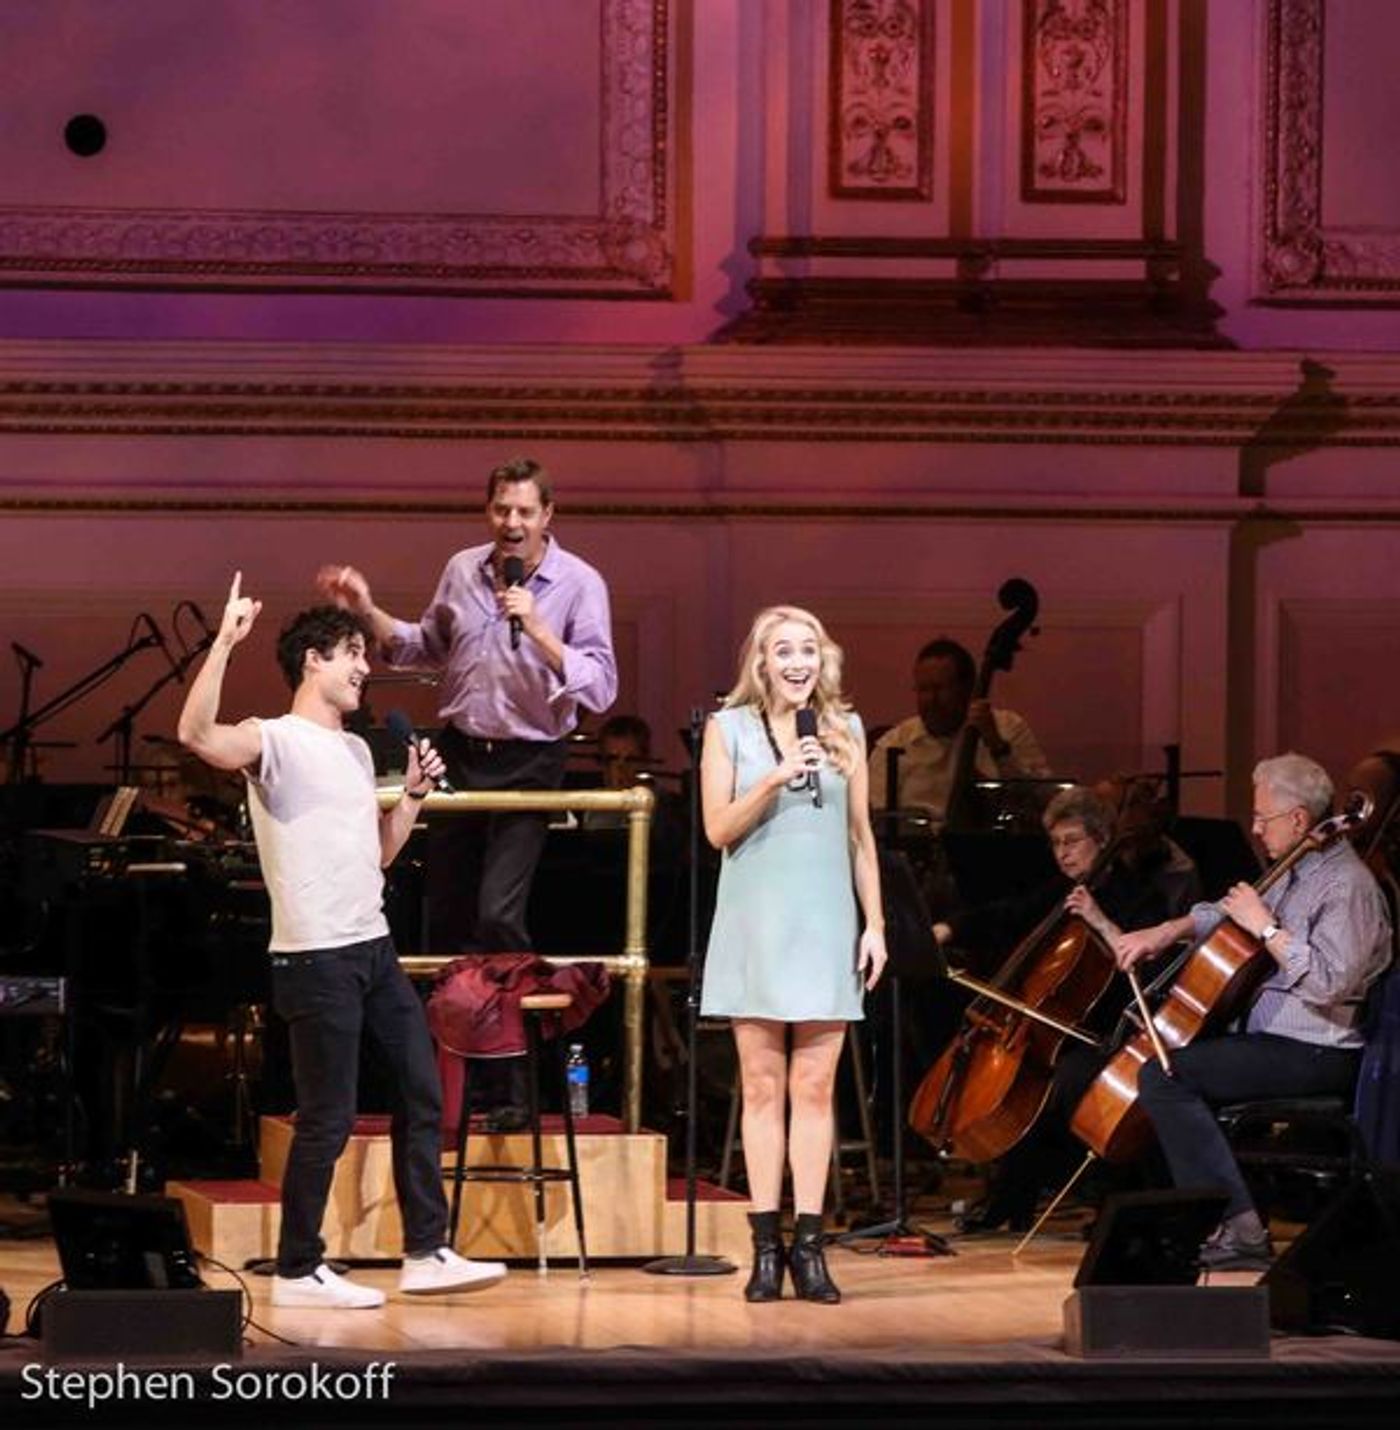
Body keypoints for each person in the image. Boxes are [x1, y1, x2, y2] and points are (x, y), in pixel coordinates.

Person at [178, 572, 506, 1309]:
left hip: (373, 948)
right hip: (314, 957)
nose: (365, 666)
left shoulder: (357, 752)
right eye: (352, 652)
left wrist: (412, 797)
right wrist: (225, 642)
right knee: (328, 1116)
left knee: (422, 1090)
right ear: (313, 661)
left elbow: (378, 854)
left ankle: (426, 1251)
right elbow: (197, 736)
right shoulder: (275, 739)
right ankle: (299, 1268)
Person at [319, 458, 616, 1123]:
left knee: (498, 915)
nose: (512, 523)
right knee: (447, 917)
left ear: (547, 516)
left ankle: (510, 1089)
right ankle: (448, 1087)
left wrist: (538, 629)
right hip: (461, 751)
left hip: (531, 757)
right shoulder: (462, 569)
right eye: (502, 510)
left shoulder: (579, 583)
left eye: (525, 511)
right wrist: (366, 609)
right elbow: (424, 646)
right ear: (488, 512)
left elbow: (601, 687)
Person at [1113, 752, 1392, 1271]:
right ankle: (1190, 1220)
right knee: (1152, 1069)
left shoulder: (1348, 886)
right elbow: (1229, 910)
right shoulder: (1294, 869)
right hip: (1273, 1040)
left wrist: (1266, 928)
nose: (1257, 828)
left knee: (1166, 1078)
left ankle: (1239, 1227)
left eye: (1264, 817)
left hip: (1318, 1049)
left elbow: (1331, 982)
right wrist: (1167, 931)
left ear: (1299, 819)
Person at [699, 606, 887, 1303]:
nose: (798, 662)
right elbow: (717, 829)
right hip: (755, 926)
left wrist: (875, 925)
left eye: (809, 649)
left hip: (824, 924)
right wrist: (775, 777)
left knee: (813, 1088)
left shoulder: (847, 730)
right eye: (784, 650)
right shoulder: (729, 729)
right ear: (762, 662)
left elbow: (860, 836)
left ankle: (810, 1248)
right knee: (761, 1087)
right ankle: (764, 1249)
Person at [934, 785, 1201, 1233]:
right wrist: (950, 927)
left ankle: (1104, 1200)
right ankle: (1010, 1200)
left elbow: (1146, 971)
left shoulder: (1139, 897)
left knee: (1061, 1083)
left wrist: (1098, 918)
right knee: (1041, 1076)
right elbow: (1010, 913)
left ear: (1102, 840)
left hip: (1116, 1033)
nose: (1063, 853)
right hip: (1064, 1031)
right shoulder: (1065, 891)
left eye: (1073, 841)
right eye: (1056, 843)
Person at [868, 637, 1049, 827]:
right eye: (923, 689)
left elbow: (1043, 801)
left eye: (940, 689)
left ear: (968, 689)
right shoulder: (893, 744)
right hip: (918, 845)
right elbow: (874, 820)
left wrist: (997, 746)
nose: (931, 700)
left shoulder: (1008, 728)